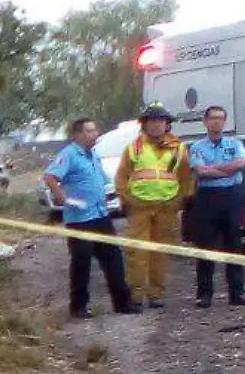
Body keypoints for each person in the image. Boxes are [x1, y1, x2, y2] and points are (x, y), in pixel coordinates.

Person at [44, 117, 142, 320]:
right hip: (80, 220)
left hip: (100, 216)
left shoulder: (93, 155)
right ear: (77, 134)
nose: (94, 134)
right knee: (82, 264)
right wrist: (63, 199)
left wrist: (108, 200)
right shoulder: (69, 154)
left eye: (95, 130)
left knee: (114, 259)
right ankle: (79, 307)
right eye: (89, 131)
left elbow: (101, 181)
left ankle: (122, 302)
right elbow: (50, 177)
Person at [113, 103, 193, 309]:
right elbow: (121, 177)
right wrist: (127, 200)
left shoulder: (179, 148)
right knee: (136, 253)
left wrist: (181, 200)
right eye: (152, 122)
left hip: (167, 208)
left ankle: (156, 294)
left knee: (160, 252)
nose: (156, 126)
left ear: (167, 125)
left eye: (161, 121)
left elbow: (186, 178)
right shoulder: (134, 148)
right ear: (144, 125)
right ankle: (136, 295)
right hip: (139, 208)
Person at [185, 105, 245, 307]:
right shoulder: (196, 147)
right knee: (205, 248)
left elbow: (240, 164)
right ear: (205, 122)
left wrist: (214, 168)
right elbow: (201, 172)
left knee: (234, 246)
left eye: (221, 118)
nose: (217, 122)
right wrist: (226, 170)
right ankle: (204, 295)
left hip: (231, 196)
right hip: (207, 198)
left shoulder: (235, 143)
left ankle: (236, 293)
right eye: (213, 118)